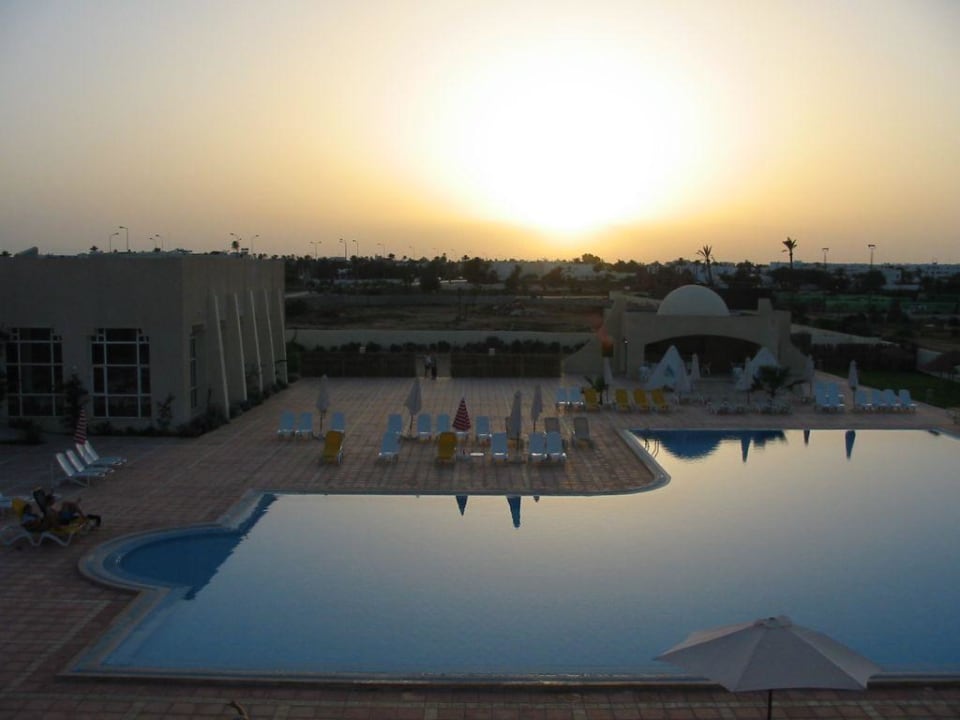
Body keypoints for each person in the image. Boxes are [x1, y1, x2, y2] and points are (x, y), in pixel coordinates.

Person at [33, 488, 101, 529]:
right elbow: (55, 522)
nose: (54, 500)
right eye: (53, 499)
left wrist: (51, 493)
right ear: (49, 501)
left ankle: (78, 508)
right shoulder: (48, 511)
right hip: (63, 520)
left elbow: (47, 501)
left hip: (62, 516)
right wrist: (61, 528)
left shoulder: (47, 508)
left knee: (67, 504)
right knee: (66, 504)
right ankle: (83, 515)